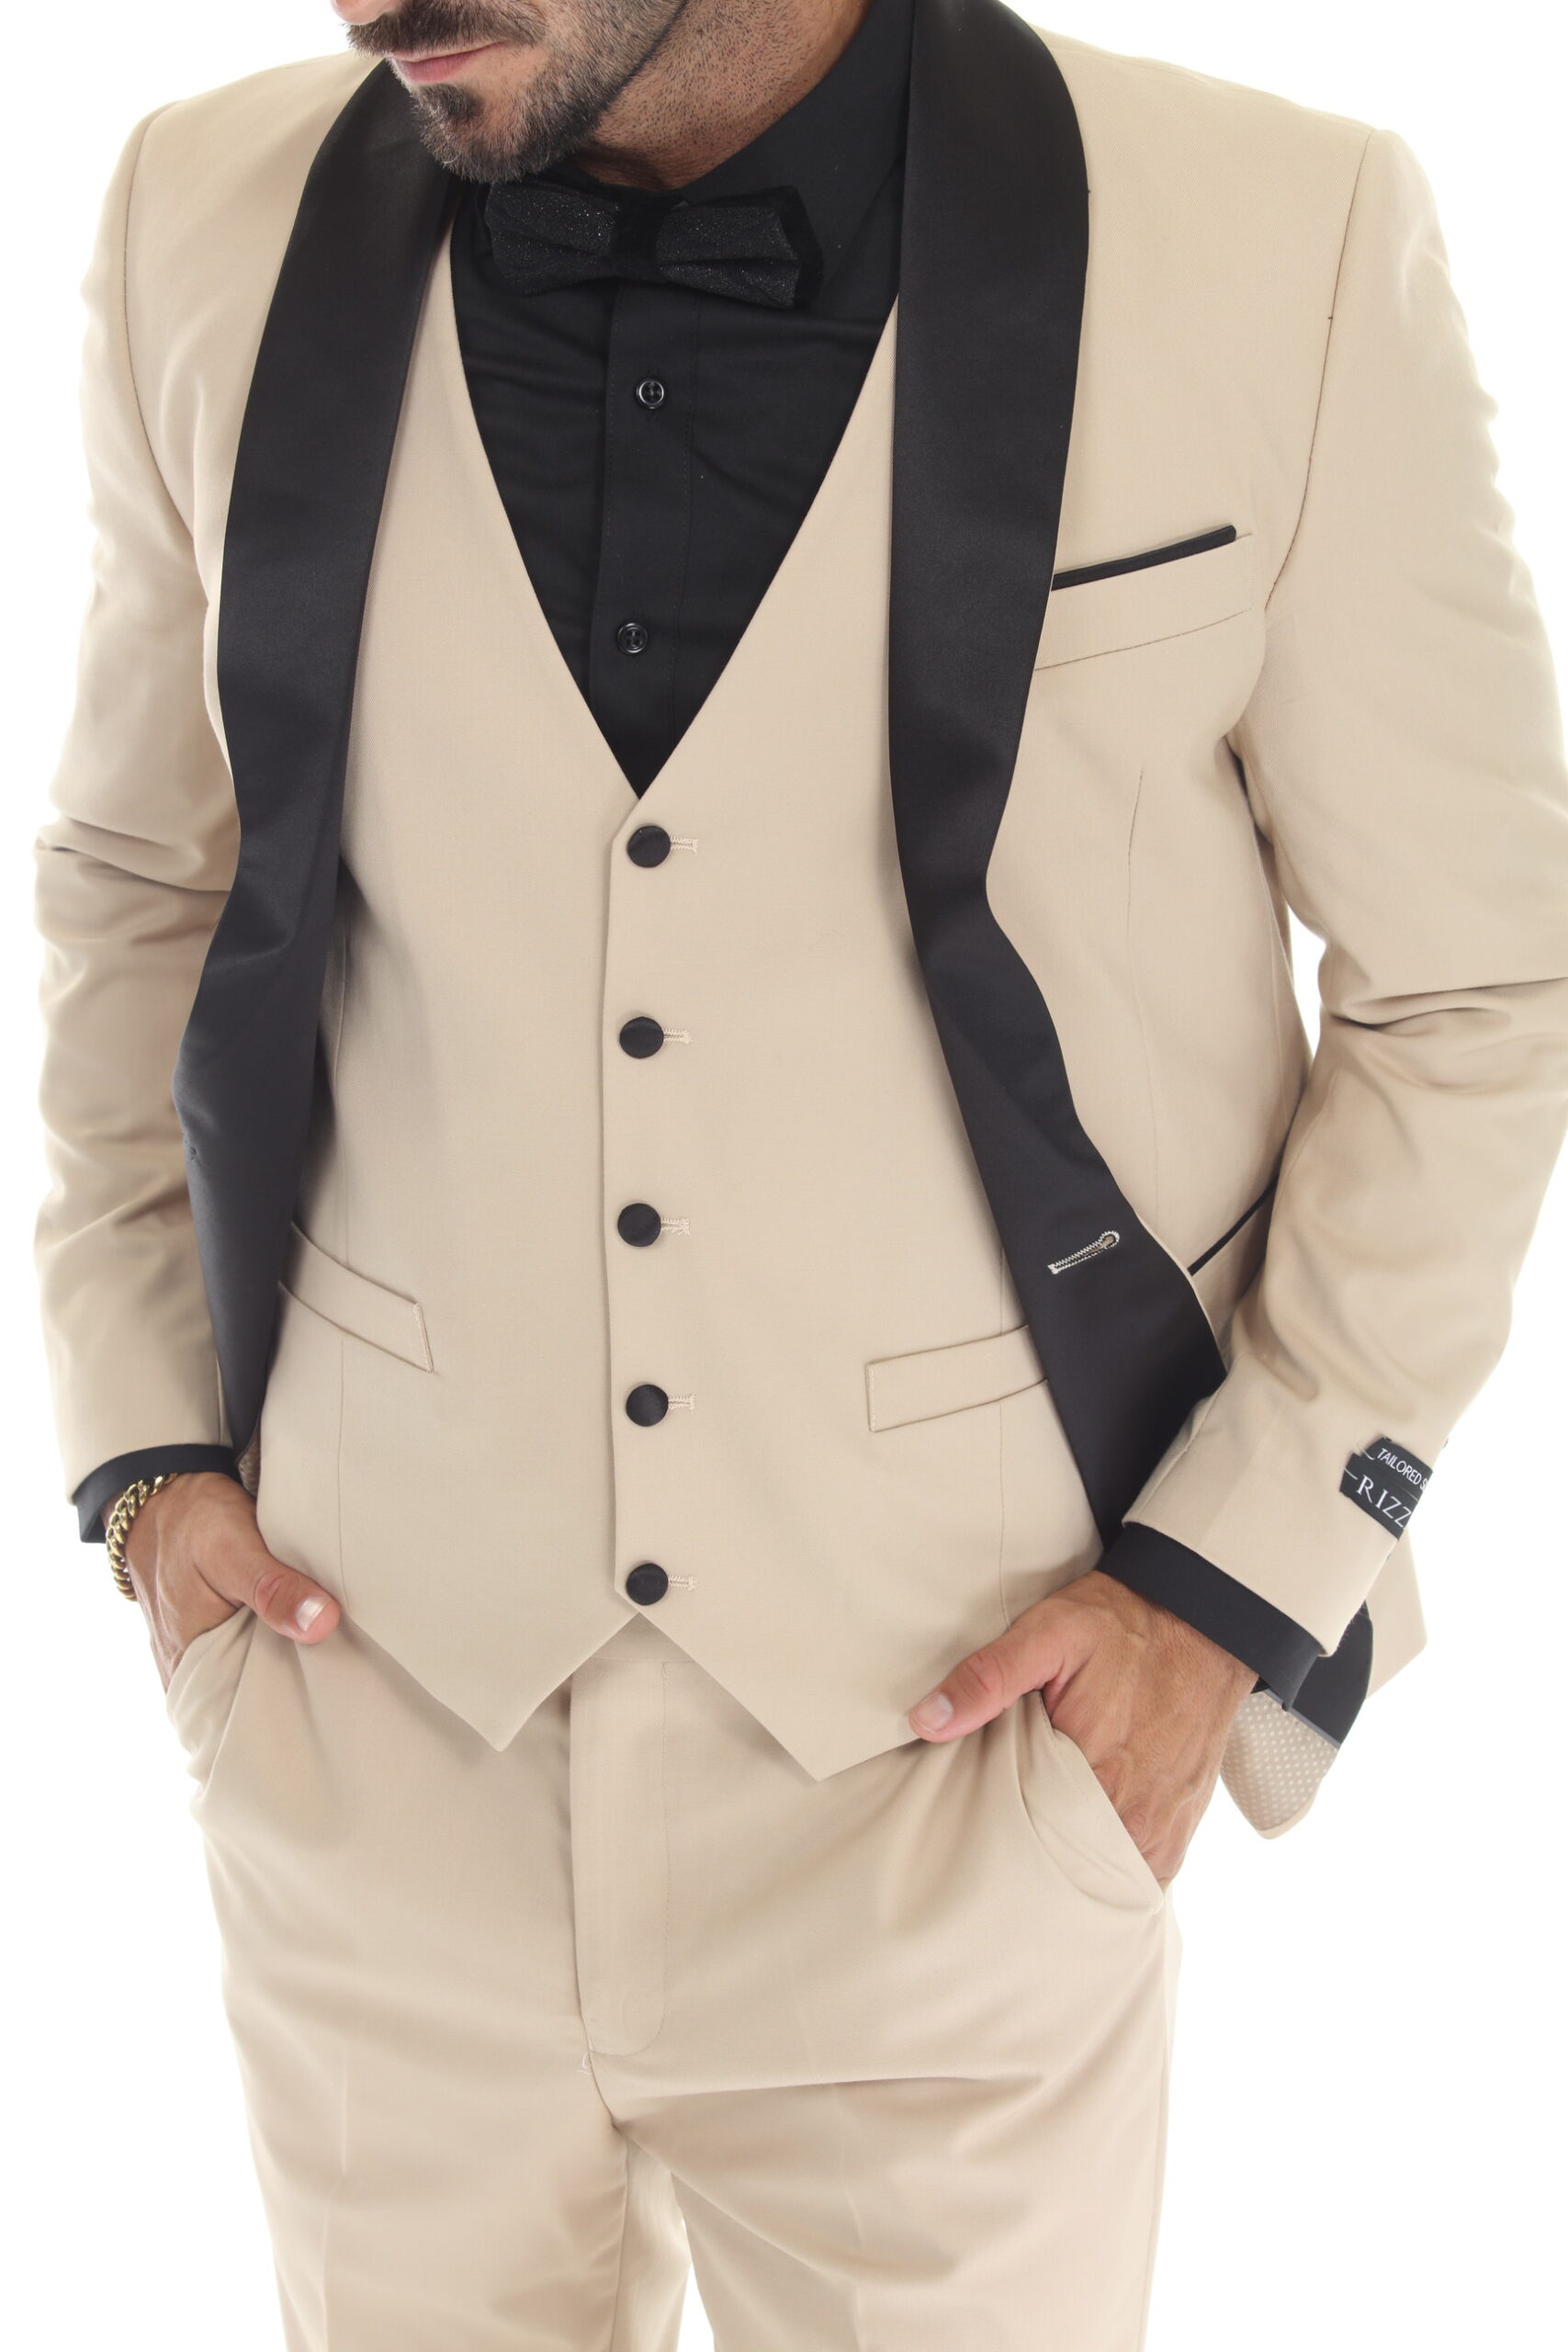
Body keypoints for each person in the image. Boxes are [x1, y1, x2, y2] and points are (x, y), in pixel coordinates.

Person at [33, 0, 1568, 2341]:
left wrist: (1221, 1591)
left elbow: (1478, 981)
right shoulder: (197, 215)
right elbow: (143, 880)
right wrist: (145, 1455)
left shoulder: (1284, 237)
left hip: (965, 1747)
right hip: (368, 1725)